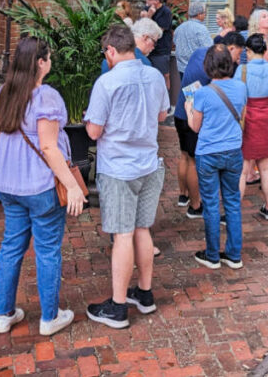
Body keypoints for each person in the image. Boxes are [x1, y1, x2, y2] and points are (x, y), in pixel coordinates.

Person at [0, 36, 85, 336]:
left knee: (12, 246)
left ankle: (3, 314)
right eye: (49, 57)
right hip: (40, 186)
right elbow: (50, 148)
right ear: (40, 63)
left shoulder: (7, 92)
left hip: (8, 184)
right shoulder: (46, 97)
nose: (51, 61)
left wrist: (13, 153)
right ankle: (49, 318)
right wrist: (74, 187)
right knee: (48, 250)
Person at [84, 25, 169, 329]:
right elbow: (161, 115)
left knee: (122, 234)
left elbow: (93, 131)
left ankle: (118, 307)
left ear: (110, 50)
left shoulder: (107, 83)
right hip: (149, 163)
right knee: (142, 229)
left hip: (119, 167)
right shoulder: (155, 76)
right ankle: (144, 294)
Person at [171, 32, 245, 216]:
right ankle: (195, 206)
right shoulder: (213, 69)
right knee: (195, 161)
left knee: (184, 156)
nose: (237, 60)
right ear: (230, 49)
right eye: (238, 54)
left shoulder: (200, 53)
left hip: (181, 110)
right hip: (192, 115)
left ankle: (183, 195)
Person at [186, 45, 246, 269]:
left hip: (208, 152)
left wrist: (189, 107)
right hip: (233, 150)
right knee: (232, 202)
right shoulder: (241, 88)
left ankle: (212, 255)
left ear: (208, 66)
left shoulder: (202, 93)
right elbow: (240, 115)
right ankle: (233, 254)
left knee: (211, 204)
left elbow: (195, 127)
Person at [235, 33, 268, 220]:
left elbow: (236, 96)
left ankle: (234, 212)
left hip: (248, 119)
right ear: (265, 50)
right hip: (266, 118)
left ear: (248, 51)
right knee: (265, 167)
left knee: (243, 169)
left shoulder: (241, 70)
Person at [139, 0, 173, 86]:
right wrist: (146, 16)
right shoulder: (147, 8)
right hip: (146, 50)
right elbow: (141, 27)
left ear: (157, 1)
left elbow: (157, 33)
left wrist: (149, 16)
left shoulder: (165, 12)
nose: (147, 1)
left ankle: (166, 97)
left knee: (163, 75)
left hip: (161, 50)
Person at [174, 1, 213, 76]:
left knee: (185, 87)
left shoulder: (179, 28)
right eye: (205, 13)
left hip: (182, 70)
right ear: (199, 14)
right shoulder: (201, 29)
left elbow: (175, 43)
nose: (205, 15)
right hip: (198, 70)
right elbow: (209, 49)